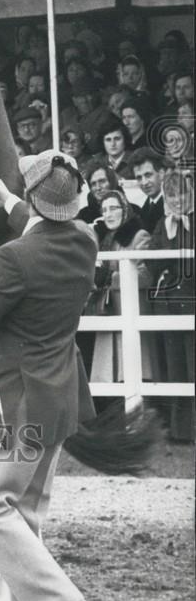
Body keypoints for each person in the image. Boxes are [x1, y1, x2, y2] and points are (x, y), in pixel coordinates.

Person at [0, 151, 98, 601]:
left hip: (15, 403)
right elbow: (43, 224)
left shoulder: (11, 258)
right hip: (58, 399)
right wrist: (8, 198)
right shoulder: (85, 241)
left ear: (34, 201)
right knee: (23, 521)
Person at [89, 190, 155, 388]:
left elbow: (146, 275)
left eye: (113, 208)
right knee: (110, 381)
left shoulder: (139, 236)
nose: (108, 214)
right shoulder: (105, 240)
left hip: (130, 310)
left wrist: (113, 278)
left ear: (124, 210)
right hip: (110, 313)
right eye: (104, 210)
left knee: (134, 374)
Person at [147, 169, 195, 443]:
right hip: (168, 303)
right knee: (174, 364)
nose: (177, 200)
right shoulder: (161, 226)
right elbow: (153, 262)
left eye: (182, 194)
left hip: (192, 299)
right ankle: (181, 431)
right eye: (172, 195)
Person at [128, 147, 169, 234]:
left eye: (148, 175)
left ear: (162, 174)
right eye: (139, 178)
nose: (144, 182)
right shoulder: (144, 208)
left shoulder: (172, 205)